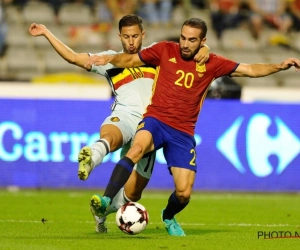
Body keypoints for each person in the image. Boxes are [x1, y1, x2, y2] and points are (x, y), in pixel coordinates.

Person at [85, 17, 300, 236]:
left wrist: (279, 66)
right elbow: (130, 61)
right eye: (183, 38)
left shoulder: (212, 62)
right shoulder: (164, 50)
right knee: (136, 149)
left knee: (184, 193)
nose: (185, 44)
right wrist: (109, 58)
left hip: (182, 133)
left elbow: (250, 69)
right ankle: (106, 198)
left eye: (192, 40)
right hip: (155, 120)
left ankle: (168, 216)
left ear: (203, 41)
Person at [28, 14, 210, 233]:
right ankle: (92, 157)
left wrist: (205, 49)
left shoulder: (156, 54)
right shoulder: (109, 59)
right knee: (110, 137)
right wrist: (47, 33)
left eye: (135, 36)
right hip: (125, 116)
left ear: (143, 35)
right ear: (119, 36)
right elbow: (74, 57)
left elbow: (187, 48)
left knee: (133, 194)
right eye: (126, 37)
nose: (131, 41)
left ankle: (102, 211)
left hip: (151, 125)